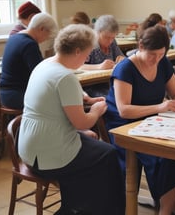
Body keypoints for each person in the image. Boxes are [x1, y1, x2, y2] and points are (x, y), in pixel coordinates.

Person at [105, 24, 175, 215]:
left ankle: (170, 204)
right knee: (166, 156)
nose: (156, 60)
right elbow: (123, 110)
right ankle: (166, 209)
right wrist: (159, 107)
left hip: (154, 120)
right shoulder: (125, 69)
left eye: (161, 55)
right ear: (140, 46)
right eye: (152, 55)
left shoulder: (162, 63)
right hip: (125, 126)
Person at [18, 24, 125, 215]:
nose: (86, 59)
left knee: (91, 145)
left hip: (28, 146)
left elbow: (55, 104)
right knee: (108, 155)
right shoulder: (65, 77)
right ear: (77, 51)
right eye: (86, 55)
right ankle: (92, 209)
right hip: (48, 155)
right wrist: (96, 110)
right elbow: (83, 123)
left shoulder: (45, 64)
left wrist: (85, 101)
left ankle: (78, 204)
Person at [0, 12, 58, 110]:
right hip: (17, 94)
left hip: (6, 93)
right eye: (48, 35)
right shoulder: (29, 44)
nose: (46, 39)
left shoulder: (15, 37)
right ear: (42, 29)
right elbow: (40, 73)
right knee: (58, 102)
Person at [80, 15, 125, 97]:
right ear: (98, 32)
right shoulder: (88, 43)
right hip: (92, 87)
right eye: (107, 37)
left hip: (110, 83)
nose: (110, 41)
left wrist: (122, 60)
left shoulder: (112, 42)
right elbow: (76, 66)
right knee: (115, 98)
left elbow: (121, 57)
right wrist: (98, 67)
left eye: (113, 37)